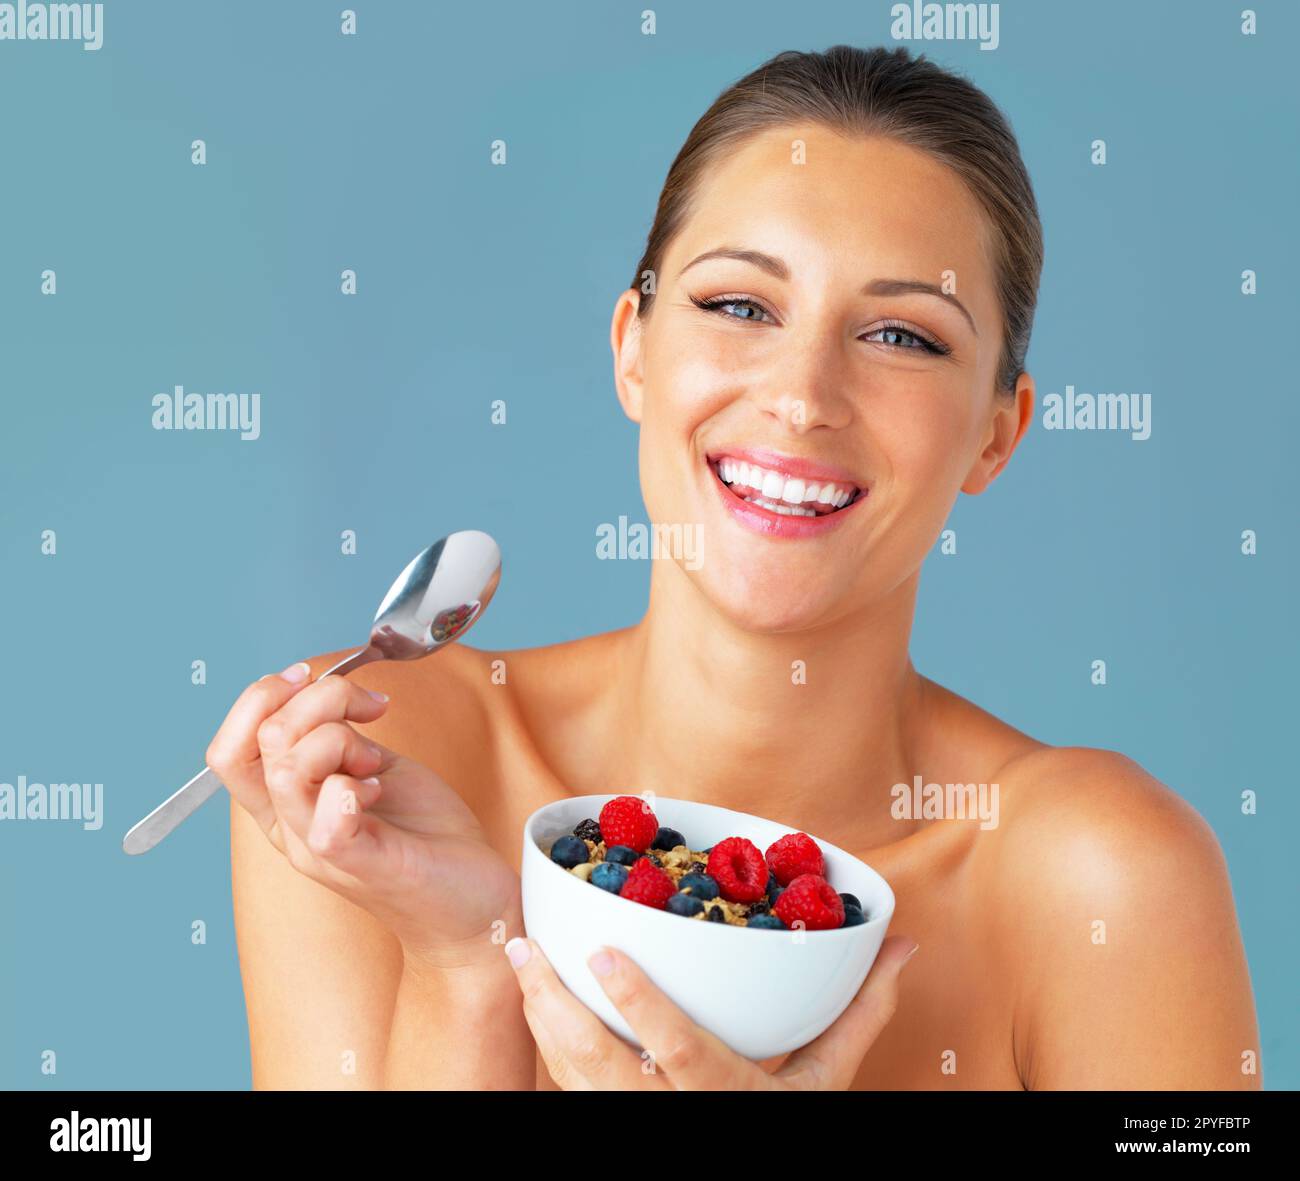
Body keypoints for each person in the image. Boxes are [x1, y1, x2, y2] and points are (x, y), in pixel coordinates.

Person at [210, 45, 1261, 1091]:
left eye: (900, 333)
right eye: (739, 306)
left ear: (996, 433)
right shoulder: (380, 762)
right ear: (632, 347)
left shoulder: (1105, 877)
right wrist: (466, 968)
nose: (803, 395)